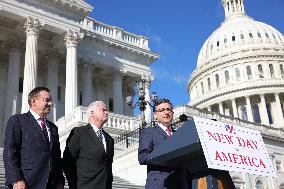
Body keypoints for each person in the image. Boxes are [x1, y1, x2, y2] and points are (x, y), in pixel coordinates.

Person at [3, 87, 65, 189]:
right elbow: (10, 152)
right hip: (27, 183)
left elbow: (56, 157)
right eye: (47, 100)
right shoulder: (18, 121)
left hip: (51, 184)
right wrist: (16, 179)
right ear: (34, 101)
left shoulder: (53, 128)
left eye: (51, 101)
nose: (50, 104)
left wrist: (60, 181)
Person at [63, 101, 114, 189]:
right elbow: (68, 162)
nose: (106, 112)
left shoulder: (109, 139)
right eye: (103, 110)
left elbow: (108, 166)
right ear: (92, 113)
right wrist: (74, 185)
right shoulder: (79, 132)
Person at [138, 98, 188, 189]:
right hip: (160, 184)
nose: (166, 112)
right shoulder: (148, 132)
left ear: (172, 113)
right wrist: (166, 156)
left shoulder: (180, 134)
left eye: (168, 109)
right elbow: (143, 158)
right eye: (162, 110)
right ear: (155, 115)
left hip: (181, 184)